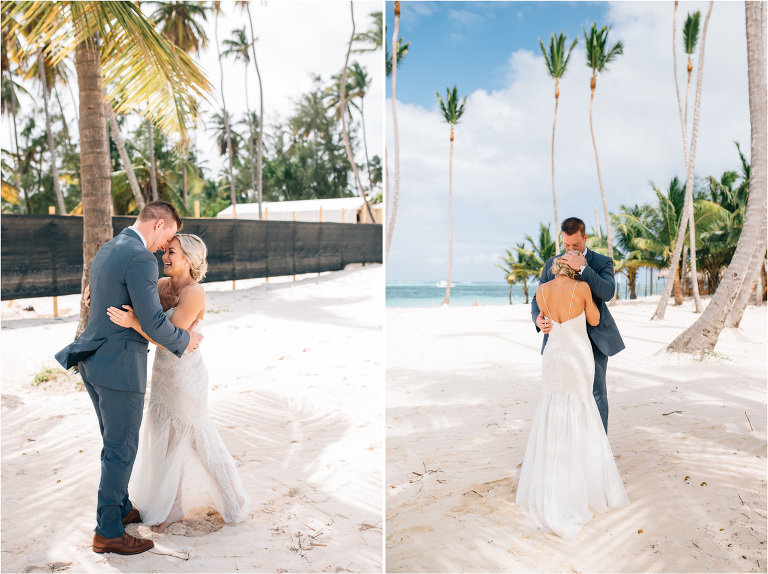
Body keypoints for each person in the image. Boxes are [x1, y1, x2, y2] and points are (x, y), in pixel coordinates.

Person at [55, 201, 204, 555]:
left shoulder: (110, 247)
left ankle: (121, 509)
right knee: (121, 448)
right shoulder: (140, 258)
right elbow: (153, 323)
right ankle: (107, 531)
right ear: (158, 224)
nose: (162, 248)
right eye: (166, 237)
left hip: (92, 359)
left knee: (114, 442)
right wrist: (187, 340)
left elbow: (98, 295)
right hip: (119, 365)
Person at [106, 233, 250, 533]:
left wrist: (135, 323)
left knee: (200, 441)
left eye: (171, 252)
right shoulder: (160, 286)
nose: (164, 257)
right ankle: (175, 507)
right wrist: (97, 292)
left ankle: (233, 498)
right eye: (165, 252)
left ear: (189, 258)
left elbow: (167, 338)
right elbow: (129, 300)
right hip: (162, 375)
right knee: (167, 442)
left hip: (186, 377)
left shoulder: (194, 293)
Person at [516, 248, 629, 538]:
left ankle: (553, 479)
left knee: (552, 407)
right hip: (578, 354)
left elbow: (542, 319)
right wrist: (586, 289)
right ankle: (582, 481)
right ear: (573, 268)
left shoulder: (541, 290)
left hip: (553, 354)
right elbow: (593, 320)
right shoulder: (581, 287)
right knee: (582, 407)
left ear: (555, 268)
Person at [531, 217, 625, 433]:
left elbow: (608, 293)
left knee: (595, 393)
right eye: (566, 245)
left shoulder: (602, 262)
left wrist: (583, 269)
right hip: (559, 341)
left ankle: (599, 450)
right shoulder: (551, 264)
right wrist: (537, 318)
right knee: (561, 395)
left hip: (594, 341)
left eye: (576, 245)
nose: (571, 250)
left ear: (585, 238)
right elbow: (537, 298)